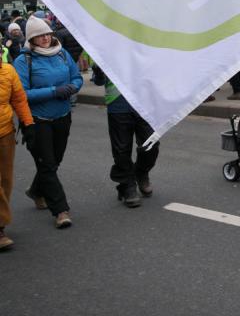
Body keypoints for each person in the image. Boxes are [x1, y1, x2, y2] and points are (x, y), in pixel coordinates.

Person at [13, 16, 82, 229]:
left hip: (62, 117)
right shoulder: (24, 61)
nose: (44, 38)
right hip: (37, 121)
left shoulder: (62, 53)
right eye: (38, 36)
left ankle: (36, 191)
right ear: (31, 39)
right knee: (47, 164)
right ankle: (61, 210)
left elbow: (77, 77)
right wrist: (54, 91)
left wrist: (73, 87)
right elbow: (21, 94)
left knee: (54, 160)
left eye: (47, 34)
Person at [91, 63, 159, 208]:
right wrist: (98, 70)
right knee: (121, 150)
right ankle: (128, 186)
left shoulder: (142, 47)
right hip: (118, 105)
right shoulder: (108, 49)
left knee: (151, 144)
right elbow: (98, 81)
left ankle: (141, 173)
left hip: (144, 104)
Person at [0, 57, 34, 249]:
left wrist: (27, 123)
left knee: (6, 180)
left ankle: (1, 222)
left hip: (5, 133)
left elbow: (19, 99)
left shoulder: (8, 71)